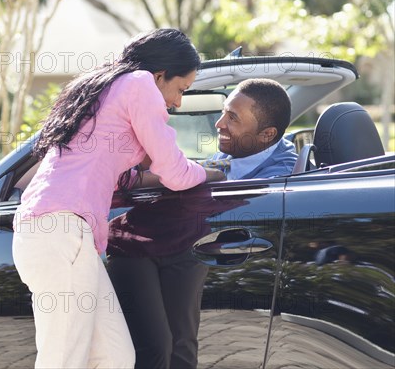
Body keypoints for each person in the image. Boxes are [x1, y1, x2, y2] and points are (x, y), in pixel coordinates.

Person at [12, 29, 225, 369]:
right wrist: (212, 171)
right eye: (181, 89)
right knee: (64, 359)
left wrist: (184, 169)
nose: (178, 103)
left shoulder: (107, 88)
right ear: (160, 75)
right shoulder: (140, 84)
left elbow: (122, 177)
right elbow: (176, 173)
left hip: (62, 231)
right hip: (59, 230)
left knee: (115, 357)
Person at [106, 78, 299, 369]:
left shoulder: (279, 175)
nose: (219, 123)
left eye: (232, 117)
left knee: (174, 346)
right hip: (180, 257)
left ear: (266, 134)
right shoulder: (231, 153)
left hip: (210, 257)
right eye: (223, 111)